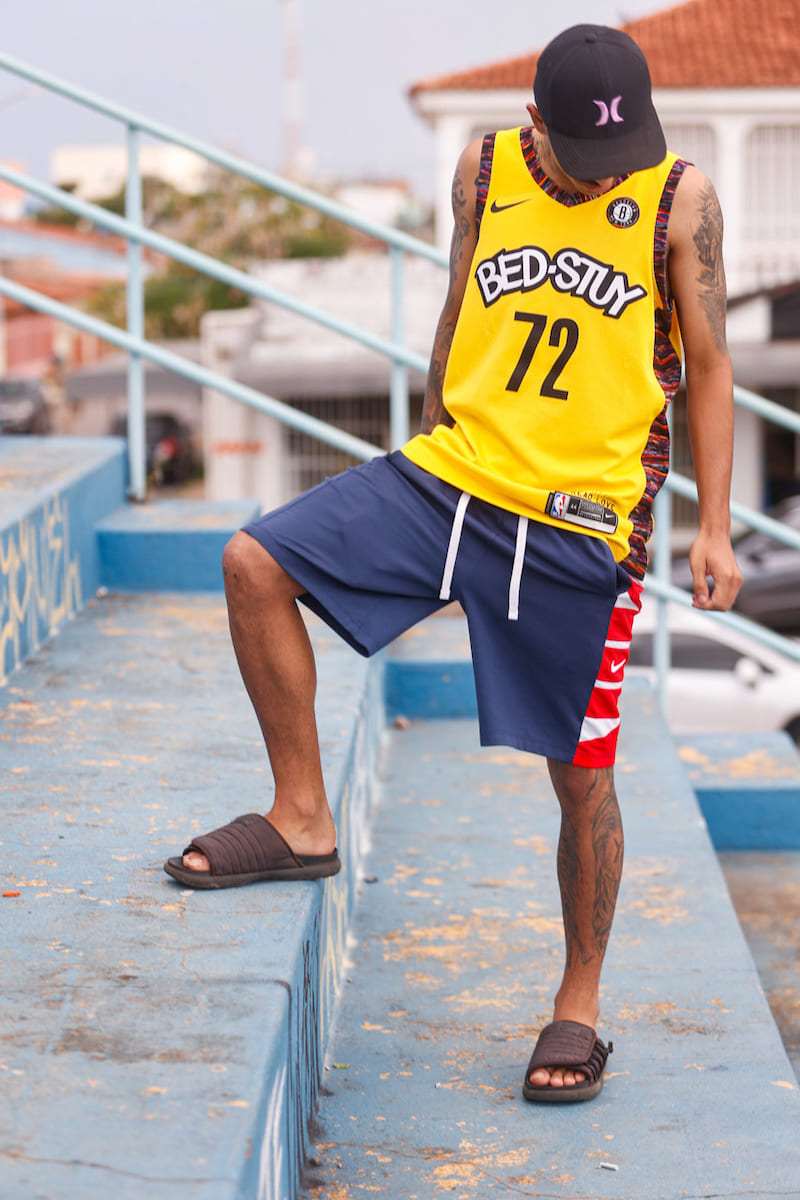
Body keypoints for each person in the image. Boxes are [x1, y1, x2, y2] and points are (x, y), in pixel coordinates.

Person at [164, 24, 742, 1103]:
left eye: (620, 145)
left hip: (578, 520)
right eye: (580, 149)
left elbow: (706, 364)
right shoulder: (484, 167)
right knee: (253, 563)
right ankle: (300, 817)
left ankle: (577, 1003)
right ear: (535, 127)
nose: (603, 166)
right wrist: (429, 436)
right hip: (452, 476)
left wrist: (711, 527)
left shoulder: (677, 201)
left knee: (580, 778)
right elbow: (460, 300)